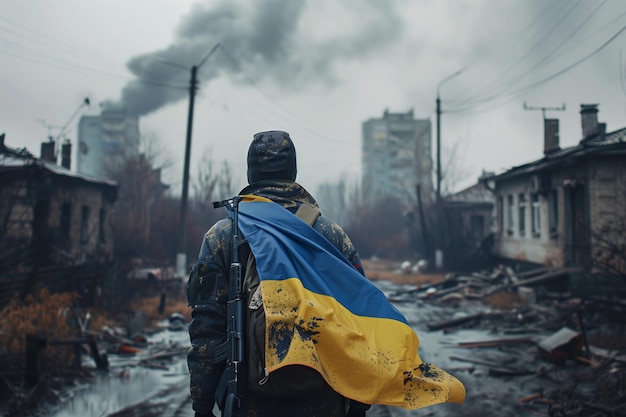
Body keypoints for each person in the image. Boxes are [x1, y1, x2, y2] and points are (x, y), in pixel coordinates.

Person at [187, 130, 371, 417]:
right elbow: (361, 317)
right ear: (292, 171)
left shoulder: (223, 236)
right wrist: (359, 404)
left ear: (251, 173)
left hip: (248, 403)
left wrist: (202, 404)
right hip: (323, 401)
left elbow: (206, 327)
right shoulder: (329, 235)